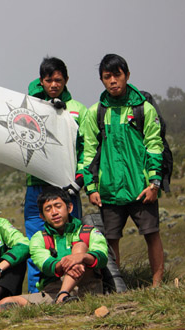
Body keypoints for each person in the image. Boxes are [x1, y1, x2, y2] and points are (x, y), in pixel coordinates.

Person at [83, 54, 165, 287]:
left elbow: (154, 146)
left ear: (127, 75)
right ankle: (116, 288)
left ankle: (158, 285)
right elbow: (88, 153)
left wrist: (154, 184)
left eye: (117, 75)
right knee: (110, 241)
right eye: (107, 77)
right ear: (101, 80)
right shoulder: (95, 112)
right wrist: (91, 187)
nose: (112, 81)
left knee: (152, 234)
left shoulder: (143, 109)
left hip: (141, 188)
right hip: (109, 190)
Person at [24, 57, 88, 293]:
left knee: (72, 238)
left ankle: (72, 289)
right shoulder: (31, 106)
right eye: (48, 80)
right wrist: (45, 105)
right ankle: (36, 293)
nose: (53, 84)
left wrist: (80, 180)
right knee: (36, 242)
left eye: (58, 80)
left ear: (66, 80)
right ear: (41, 81)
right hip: (36, 184)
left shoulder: (78, 109)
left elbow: (87, 149)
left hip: (67, 187)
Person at [0, 187, 108, 306]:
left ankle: (63, 295)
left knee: (80, 247)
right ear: (42, 216)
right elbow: (44, 264)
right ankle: (62, 298)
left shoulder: (89, 231)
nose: (54, 212)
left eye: (58, 206)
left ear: (69, 208)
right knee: (5, 302)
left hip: (87, 290)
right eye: (48, 209)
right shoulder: (39, 238)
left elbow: (102, 257)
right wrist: (67, 261)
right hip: (52, 292)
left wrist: (81, 257)